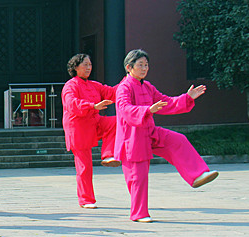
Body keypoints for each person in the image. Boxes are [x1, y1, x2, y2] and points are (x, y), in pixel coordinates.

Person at [115, 49, 218, 222]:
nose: (144, 68)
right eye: (140, 65)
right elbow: (124, 109)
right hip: (132, 137)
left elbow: (167, 102)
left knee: (178, 140)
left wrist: (187, 98)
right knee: (138, 178)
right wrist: (147, 110)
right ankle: (139, 214)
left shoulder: (147, 87)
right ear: (129, 67)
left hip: (150, 132)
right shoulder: (123, 88)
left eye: (146, 65)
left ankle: (197, 174)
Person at [61, 53, 120, 209]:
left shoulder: (94, 84)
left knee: (116, 122)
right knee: (84, 167)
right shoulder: (71, 85)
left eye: (90, 64)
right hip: (78, 128)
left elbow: (112, 92)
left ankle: (108, 154)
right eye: (85, 64)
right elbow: (71, 103)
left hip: (94, 122)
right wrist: (93, 106)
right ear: (75, 67)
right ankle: (86, 200)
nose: (89, 67)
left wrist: (130, 79)